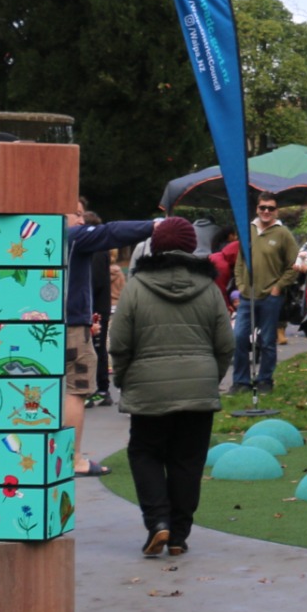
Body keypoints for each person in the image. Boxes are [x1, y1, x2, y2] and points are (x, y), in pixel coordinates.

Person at [108, 217, 233, 560]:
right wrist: (210, 378)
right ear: (193, 246)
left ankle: (158, 520)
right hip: (198, 388)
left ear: (156, 246)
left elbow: (119, 342)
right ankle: (178, 535)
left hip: (148, 388)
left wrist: (124, 379)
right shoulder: (210, 288)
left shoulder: (136, 286)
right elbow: (225, 344)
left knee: (144, 452)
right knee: (188, 459)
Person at [64, 206, 156, 470]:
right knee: (76, 390)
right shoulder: (71, 237)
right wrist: (154, 226)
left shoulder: (30, 236)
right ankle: (72, 458)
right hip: (71, 325)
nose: (81, 219)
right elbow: (111, 232)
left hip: (39, 323)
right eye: (76, 213)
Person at [234, 195, 300, 398]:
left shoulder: (283, 233)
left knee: (267, 340)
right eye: (263, 207)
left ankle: (264, 380)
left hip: (271, 296)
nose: (266, 211)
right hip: (247, 296)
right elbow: (239, 261)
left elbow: (294, 265)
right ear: (257, 209)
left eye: (271, 208)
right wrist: (241, 285)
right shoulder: (248, 230)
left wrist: (278, 287)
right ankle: (241, 381)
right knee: (239, 337)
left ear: (276, 211)